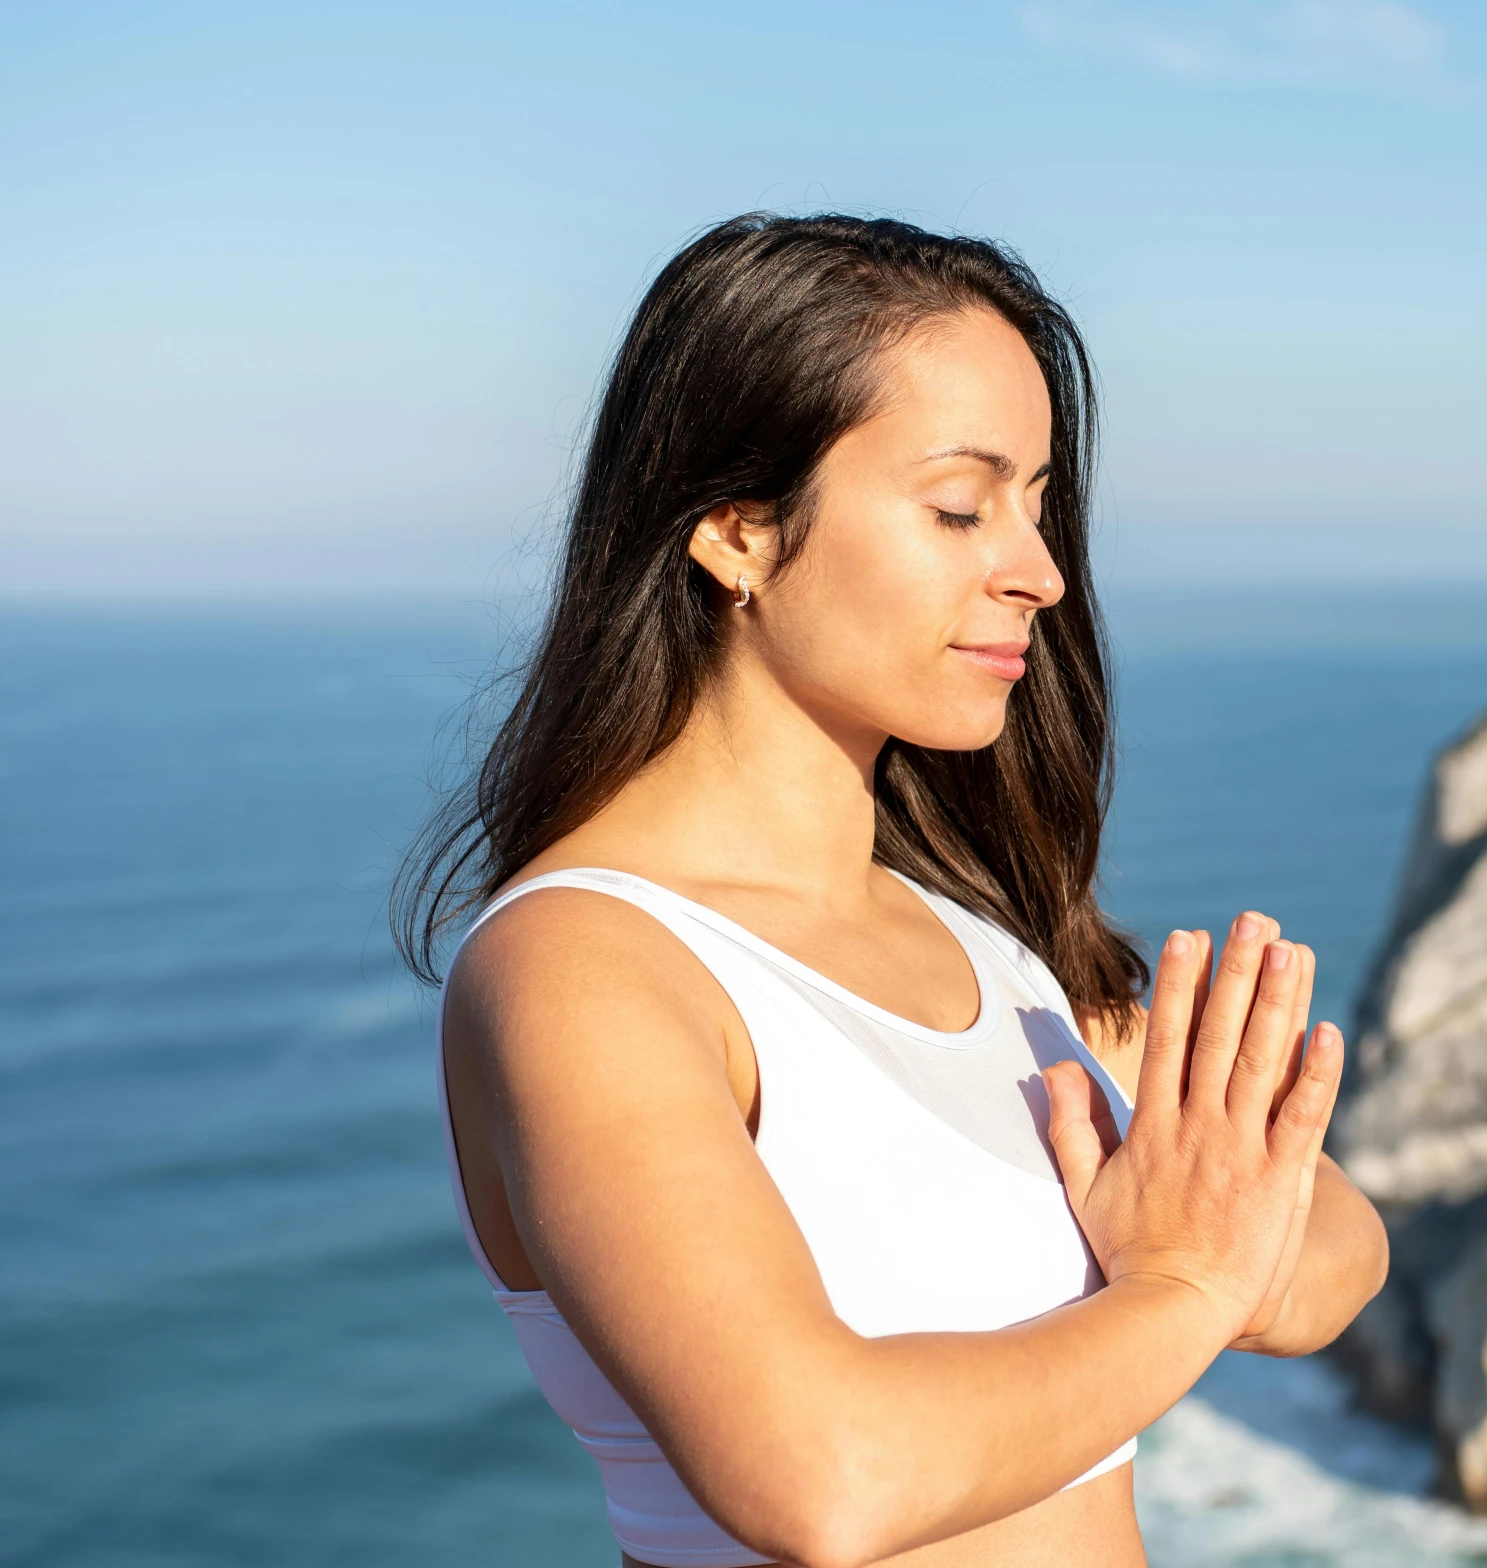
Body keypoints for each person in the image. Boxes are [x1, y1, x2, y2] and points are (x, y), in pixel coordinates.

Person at [398, 213, 1389, 1567]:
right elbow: (823, 1476)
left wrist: (1204, 1256)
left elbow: (1336, 1252)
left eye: (1040, 503)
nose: (1038, 571)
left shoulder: (991, 943)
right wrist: (1184, 1281)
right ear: (738, 531)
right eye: (959, 507)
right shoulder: (584, 967)